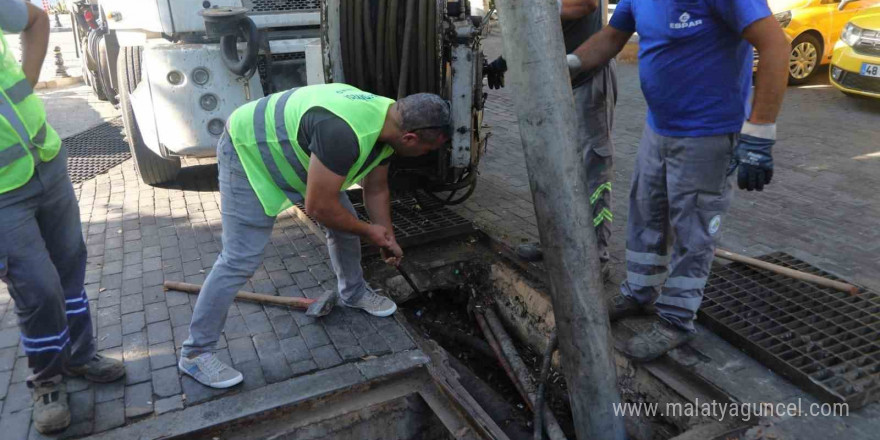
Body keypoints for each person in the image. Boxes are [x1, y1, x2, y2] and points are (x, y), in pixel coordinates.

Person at [179, 83, 450, 388]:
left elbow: (376, 188)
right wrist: (368, 230)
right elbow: (319, 207)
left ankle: (354, 292)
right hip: (249, 150)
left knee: (345, 228)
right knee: (240, 258)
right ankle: (195, 354)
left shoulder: (391, 120)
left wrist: (386, 237)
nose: (424, 155)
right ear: (410, 138)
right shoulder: (345, 133)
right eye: (426, 150)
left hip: (297, 153)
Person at [568, 0, 789, 361]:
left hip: (709, 133)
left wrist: (760, 131)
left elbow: (775, 45)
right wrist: (570, 64)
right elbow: (611, 36)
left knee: (693, 228)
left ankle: (676, 318)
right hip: (659, 127)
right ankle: (639, 291)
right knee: (645, 212)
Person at [0, 0, 125, 434]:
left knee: (70, 269)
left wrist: (27, 82)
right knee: (38, 290)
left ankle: (79, 353)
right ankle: (47, 381)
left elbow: (36, 18)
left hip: (46, 160)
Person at [489, 0, 617, 280]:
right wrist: (506, 59)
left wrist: (533, 9)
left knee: (591, 172)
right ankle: (557, 244)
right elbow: (534, 27)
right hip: (552, 81)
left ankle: (595, 255)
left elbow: (585, 4)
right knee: (554, 168)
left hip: (586, 81)